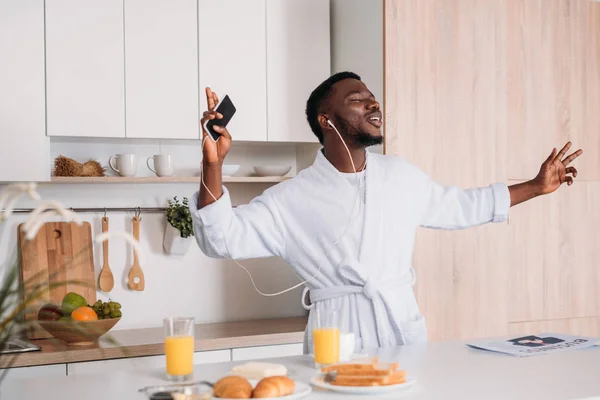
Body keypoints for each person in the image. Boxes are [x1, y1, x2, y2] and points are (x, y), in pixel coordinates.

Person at [189, 71, 583, 353]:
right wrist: (213, 164)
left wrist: (534, 187)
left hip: (401, 329)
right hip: (338, 335)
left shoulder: (400, 175)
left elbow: (462, 206)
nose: (373, 103)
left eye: (372, 97)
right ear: (326, 120)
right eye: (357, 99)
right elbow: (220, 238)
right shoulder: (291, 197)